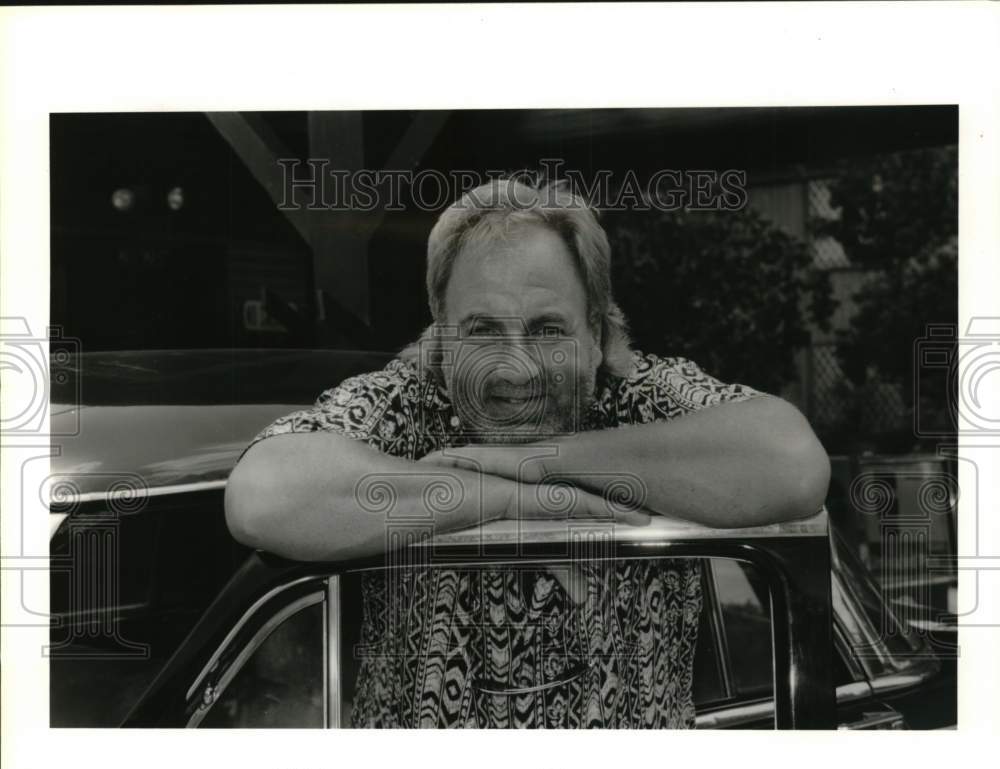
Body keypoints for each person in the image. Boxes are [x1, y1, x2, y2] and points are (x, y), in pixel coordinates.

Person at [224, 176, 831, 729]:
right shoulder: (410, 401)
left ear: (595, 334)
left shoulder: (642, 397)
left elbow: (793, 464)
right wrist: (514, 498)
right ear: (441, 331)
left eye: (547, 329)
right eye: (483, 330)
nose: (514, 367)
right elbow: (265, 495)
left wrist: (536, 458)